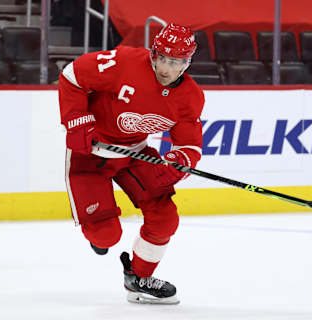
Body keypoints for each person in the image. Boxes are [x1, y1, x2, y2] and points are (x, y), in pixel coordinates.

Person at [58, 23, 204, 305]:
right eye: (161, 57)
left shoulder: (190, 96)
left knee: (165, 217)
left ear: (186, 62)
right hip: (90, 155)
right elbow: (72, 75)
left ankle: (138, 279)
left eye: (173, 62)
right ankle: (99, 235)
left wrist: (179, 161)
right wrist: (77, 120)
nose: (164, 67)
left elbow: (189, 143)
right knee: (105, 236)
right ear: (153, 54)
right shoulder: (124, 62)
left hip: (135, 153)